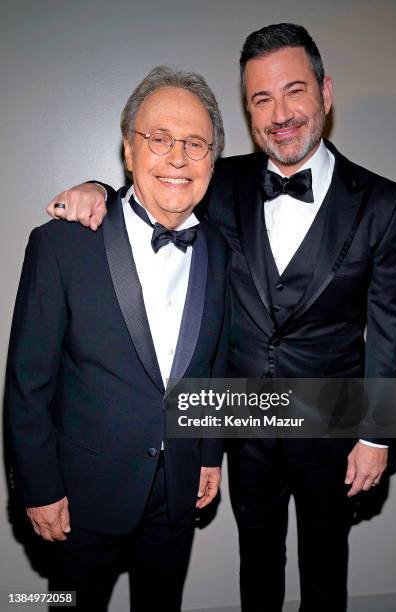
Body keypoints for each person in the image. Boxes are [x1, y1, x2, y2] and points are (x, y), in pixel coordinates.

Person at [44, 23, 396, 612]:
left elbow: (395, 324)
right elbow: (156, 187)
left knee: (326, 564)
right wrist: (95, 188)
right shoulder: (222, 178)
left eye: (294, 91)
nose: (281, 114)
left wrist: (376, 435)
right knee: (257, 561)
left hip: (335, 421)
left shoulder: (382, 201)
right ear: (247, 110)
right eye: (261, 99)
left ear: (325, 92)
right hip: (239, 416)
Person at [6, 65, 230, 612]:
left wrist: (208, 453)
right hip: (80, 497)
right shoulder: (61, 246)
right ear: (129, 151)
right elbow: (28, 381)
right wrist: (38, 488)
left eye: (195, 143)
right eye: (159, 139)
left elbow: (214, 361)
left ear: (212, 160)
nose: (178, 157)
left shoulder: (220, 251)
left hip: (175, 492)